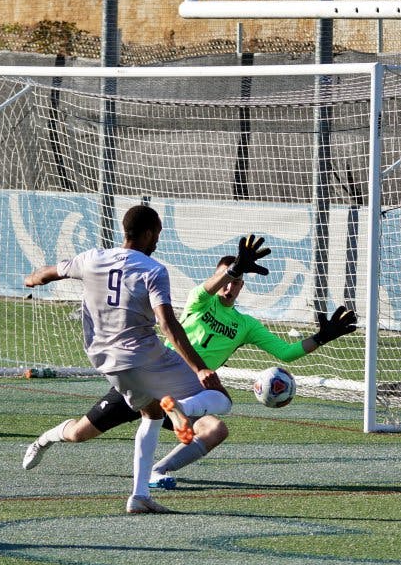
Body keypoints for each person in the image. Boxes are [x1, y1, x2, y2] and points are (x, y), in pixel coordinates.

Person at [22, 251, 359, 489]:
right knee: (80, 433)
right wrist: (234, 269)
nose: (231, 287)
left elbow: (286, 352)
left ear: (242, 288)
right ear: (219, 278)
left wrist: (322, 336)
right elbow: (208, 287)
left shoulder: (245, 325)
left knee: (216, 430)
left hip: (184, 393)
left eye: (238, 282)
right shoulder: (200, 301)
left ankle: (158, 470)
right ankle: (44, 439)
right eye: (228, 279)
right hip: (148, 375)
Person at [22, 205, 269, 514]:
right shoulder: (152, 270)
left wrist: (32, 279)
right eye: (159, 234)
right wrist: (200, 367)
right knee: (221, 399)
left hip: (110, 364)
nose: (158, 241)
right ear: (151, 232)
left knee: (150, 416)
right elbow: (168, 324)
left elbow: (51, 272)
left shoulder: (92, 258)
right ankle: (181, 409)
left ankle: (139, 496)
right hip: (149, 359)